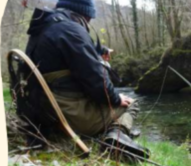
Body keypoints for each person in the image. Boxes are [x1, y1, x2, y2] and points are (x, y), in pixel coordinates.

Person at [20, 0, 148, 157]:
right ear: (85, 14)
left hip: (42, 112)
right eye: (89, 19)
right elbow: (96, 81)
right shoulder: (72, 30)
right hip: (67, 117)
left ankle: (115, 132)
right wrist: (116, 99)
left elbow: (68, 50)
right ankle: (117, 134)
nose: (88, 23)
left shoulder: (46, 26)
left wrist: (99, 51)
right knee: (131, 103)